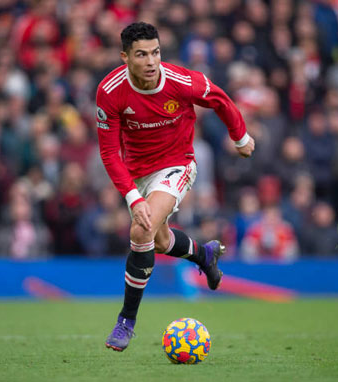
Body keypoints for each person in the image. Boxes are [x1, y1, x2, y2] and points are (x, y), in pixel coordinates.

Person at [96, 22, 255, 352]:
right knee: (161, 238)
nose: (151, 61)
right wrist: (132, 195)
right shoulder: (110, 92)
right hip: (138, 173)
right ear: (124, 57)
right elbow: (110, 152)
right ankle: (203, 254)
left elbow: (220, 100)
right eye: (141, 54)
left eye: (156, 52)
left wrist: (240, 137)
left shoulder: (182, 81)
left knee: (142, 232)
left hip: (177, 164)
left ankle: (126, 320)